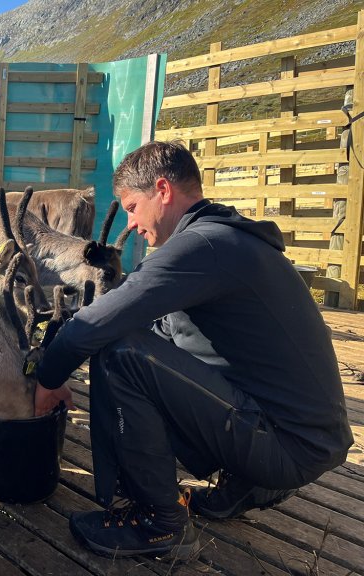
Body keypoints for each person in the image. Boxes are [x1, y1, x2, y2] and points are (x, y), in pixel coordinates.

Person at [32, 140, 353, 561]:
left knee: (121, 353)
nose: (130, 224)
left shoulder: (203, 246)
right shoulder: (227, 238)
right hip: (309, 437)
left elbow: (97, 324)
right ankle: (249, 482)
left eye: (131, 206)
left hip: (288, 446)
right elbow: (169, 331)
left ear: (162, 191)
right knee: (148, 338)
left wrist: (48, 378)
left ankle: (159, 523)